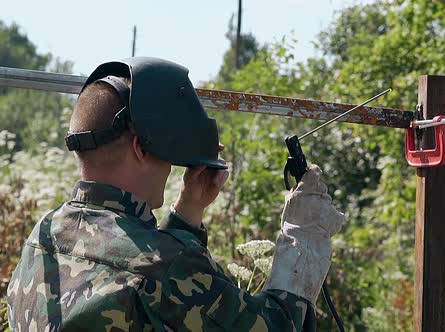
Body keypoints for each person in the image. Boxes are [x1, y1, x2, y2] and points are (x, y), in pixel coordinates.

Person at [6, 57, 344, 331]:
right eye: (167, 154)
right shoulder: (167, 265)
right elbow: (276, 326)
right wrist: (303, 236)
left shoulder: (43, 237)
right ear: (141, 147)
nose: (170, 167)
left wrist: (187, 214)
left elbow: (138, 281)